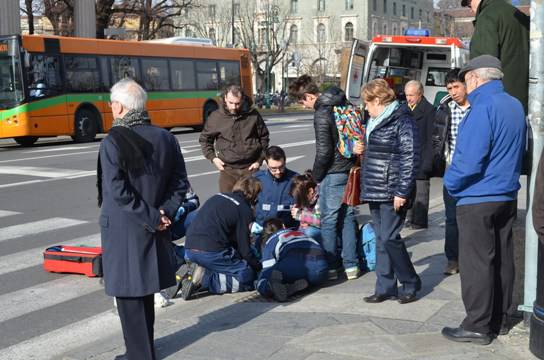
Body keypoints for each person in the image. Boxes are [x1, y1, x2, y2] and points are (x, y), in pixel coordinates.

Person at [98, 79, 188, 360]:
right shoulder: (165, 137)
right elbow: (180, 182)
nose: (110, 108)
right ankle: (142, 349)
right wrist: (165, 213)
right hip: (154, 224)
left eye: (112, 103)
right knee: (144, 290)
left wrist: (152, 216)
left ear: (121, 107)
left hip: (127, 227)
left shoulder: (114, 140)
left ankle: (138, 355)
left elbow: (118, 192)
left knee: (128, 295)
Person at [441, 55, 526, 345]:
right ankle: (500, 319)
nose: (466, 86)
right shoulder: (514, 105)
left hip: (478, 197)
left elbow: (468, 161)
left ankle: (477, 324)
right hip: (505, 194)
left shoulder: (481, 108)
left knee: (477, 263)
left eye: (466, 80)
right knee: (502, 260)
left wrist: (451, 184)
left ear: (475, 78)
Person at [354, 79, 421, 305]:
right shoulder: (374, 120)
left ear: (378, 100)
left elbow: (410, 157)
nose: (365, 107)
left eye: (367, 102)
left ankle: (410, 282)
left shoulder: (402, 120)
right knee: (382, 239)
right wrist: (361, 147)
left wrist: (402, 191)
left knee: (390, 238)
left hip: (392, 189)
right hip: (375, 186)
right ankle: (385, 287)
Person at [288, 75, 359, 281]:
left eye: (302, 101)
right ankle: (351, 266)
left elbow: (324, 151)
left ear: (309, 96)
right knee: (347, 216)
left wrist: (316, 176)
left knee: (328, 220)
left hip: (333, 170)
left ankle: (331, 267)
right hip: (349, 167)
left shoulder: (322, 112)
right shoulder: (342, 102)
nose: (303, 106)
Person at [180, 176, 263, 300]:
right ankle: (205, 279)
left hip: (190, 248)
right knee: (247, 276)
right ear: (254, 196)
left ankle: (194, 273)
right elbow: (244, 250)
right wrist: (258, 267)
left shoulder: (218, 196)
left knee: (227, 262)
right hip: (211, 252)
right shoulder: (243, 209)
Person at [432, 69, 471, 276]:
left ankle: (469, 257)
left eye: (456, 87)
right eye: (449, 88)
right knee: (451, 218)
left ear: (466, 85)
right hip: (452, 171)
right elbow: (438, 138)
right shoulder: (445, 108)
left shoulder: (477, 108)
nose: (453, 92)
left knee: (471, 218)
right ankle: (453, 259)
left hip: (474, 173)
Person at [462, 0, 529, 114]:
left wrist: (478, 107)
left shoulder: (488, 15)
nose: (471, 9)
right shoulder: (518, 15)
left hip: (499, 106)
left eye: (469, 4)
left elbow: (482, 69)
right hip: (524, 102)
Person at [199, 85, 270, 192]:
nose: (233, 107)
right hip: (227, 170)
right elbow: (205, 140)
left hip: (251, 168)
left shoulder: (253, 115)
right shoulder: (216, 117)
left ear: (243, 100)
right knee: (227, 204)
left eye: (237, 103)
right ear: (225, 99)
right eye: (230, 103)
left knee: (254, 204)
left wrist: (259, 160)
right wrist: (213, 158)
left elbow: (264, 137)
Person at [256, 218, 328, 302]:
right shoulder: (300, 233)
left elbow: (267, 269)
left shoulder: (271, 241)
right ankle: (293, 286)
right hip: (322, 268)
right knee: (301, 274)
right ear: (283, 226)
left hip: (296, 262)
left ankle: (270, 288)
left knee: (264, 277)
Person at [404, 80, 435, 229]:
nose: (409, 98)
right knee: (408, 190)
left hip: (422, 157)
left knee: (421, 192)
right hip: (408, 158)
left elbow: (431, 140)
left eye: (412, 95)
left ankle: (419, 222)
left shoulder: (429, 110)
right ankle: (408, 218)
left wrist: (428, 163)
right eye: (407, 95)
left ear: (420, 94)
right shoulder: (404, 108)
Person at [254, 145, 298, 229]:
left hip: (287, 230)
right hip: (263, 229)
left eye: (281, 167)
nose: (278, 172)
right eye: (273, 168)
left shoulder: (295, 180)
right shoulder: (257, 179)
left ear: (285, 162)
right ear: (267, 165)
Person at [290, 171, 321, 242]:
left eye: (300, 199)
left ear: (310, 191)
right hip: (314, 228)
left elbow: (324, 221)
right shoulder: (310, 199)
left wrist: (301, 215)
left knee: (309, 232)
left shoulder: (322, 197)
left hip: (330, 233)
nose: (299, 202)